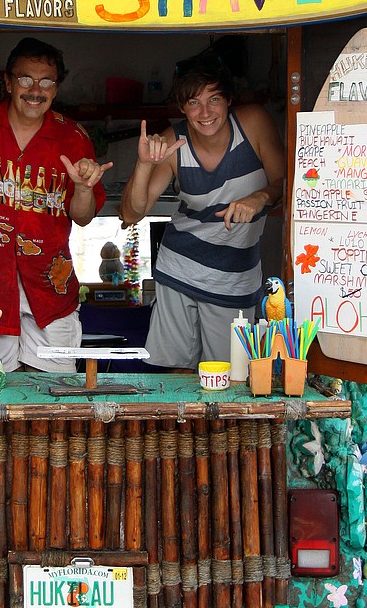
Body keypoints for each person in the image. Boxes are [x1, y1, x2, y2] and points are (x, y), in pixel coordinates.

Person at [0, 36, 112, 371]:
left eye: (46, 82)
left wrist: (83, 189)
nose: (35, 90)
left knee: (54, 394)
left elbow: (83, 217)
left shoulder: (73, 138)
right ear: (8, 82)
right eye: (26, 79)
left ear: (56, 89)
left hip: (51, 292)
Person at [120, 51, 285, 370]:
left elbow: (284, 182)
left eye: (214, 99)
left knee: (231, 378)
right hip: (179, 270)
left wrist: (260, 197)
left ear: (229, 100)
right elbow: (131, 213)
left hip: (236, 279)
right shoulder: (174, 142)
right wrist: (143, 164)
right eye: (194, 102)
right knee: (177, 373)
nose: (205, 112)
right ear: (182, 107)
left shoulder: (253, 123)